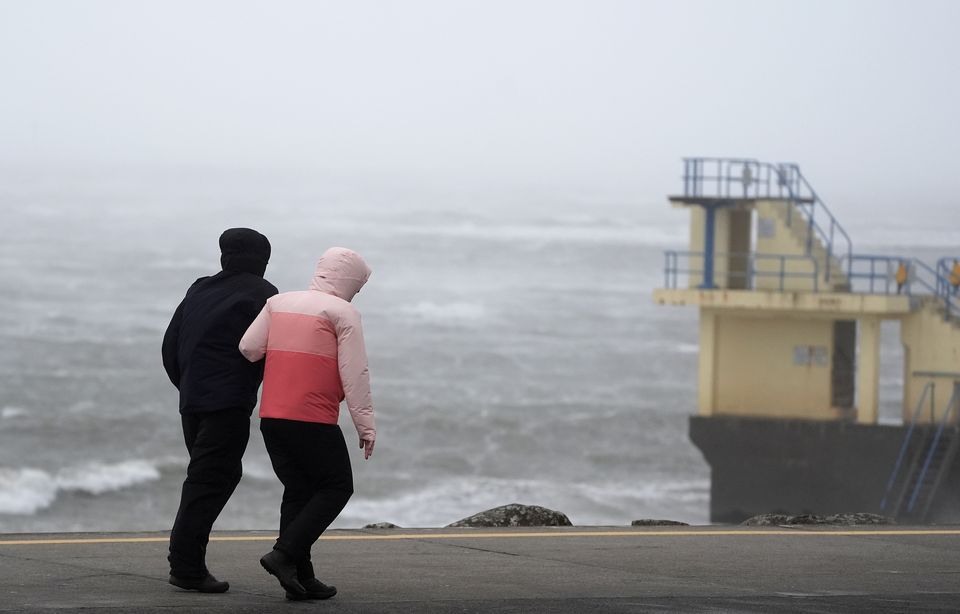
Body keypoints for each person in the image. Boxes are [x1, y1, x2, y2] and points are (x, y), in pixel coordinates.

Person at [239, 247, 376, 601]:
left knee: (299, 491)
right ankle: (283, 556)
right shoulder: (343, 312)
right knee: (336, 486)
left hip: (272, 416)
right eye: (358, 286)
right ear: (348, 281)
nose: (356, 293)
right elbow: (354, 374)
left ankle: (300, 578)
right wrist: (366, 426)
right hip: (312, 417)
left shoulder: (278, 303)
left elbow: (249, 348)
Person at [161, 228, 278, 593]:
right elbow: (268, 352)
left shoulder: (200, 288)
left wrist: (190, 386)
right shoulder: (264, 295)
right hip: (226, 404)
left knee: (205, 478)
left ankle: (186, 561)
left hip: (192, 400)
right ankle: (186, 567)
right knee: (210, 481)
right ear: (262, 261)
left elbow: (170, 345)